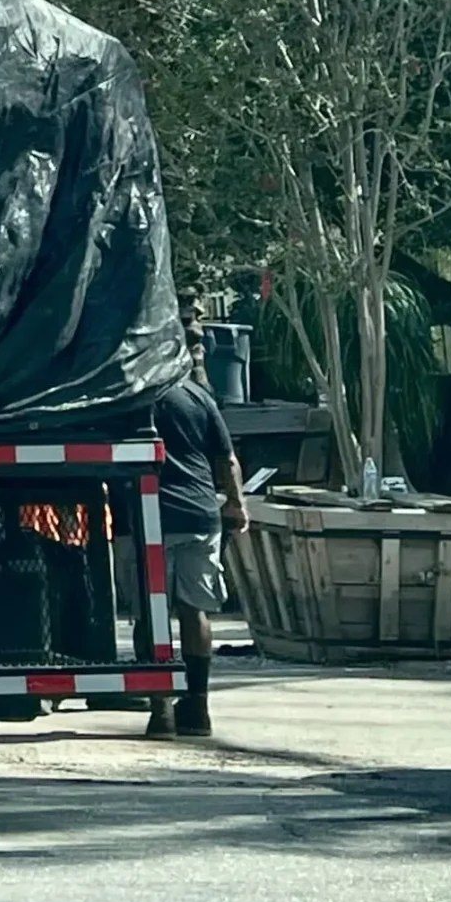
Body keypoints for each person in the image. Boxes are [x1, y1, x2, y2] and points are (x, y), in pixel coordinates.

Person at [147, 316, 247, 738]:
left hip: (151, 517)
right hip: (200, 513)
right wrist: (237, 506)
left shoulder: (137, 397)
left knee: (151, 617)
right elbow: (226, 461)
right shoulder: (200, 398)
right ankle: (198, 706)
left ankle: (161, 710)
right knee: (195, 610)